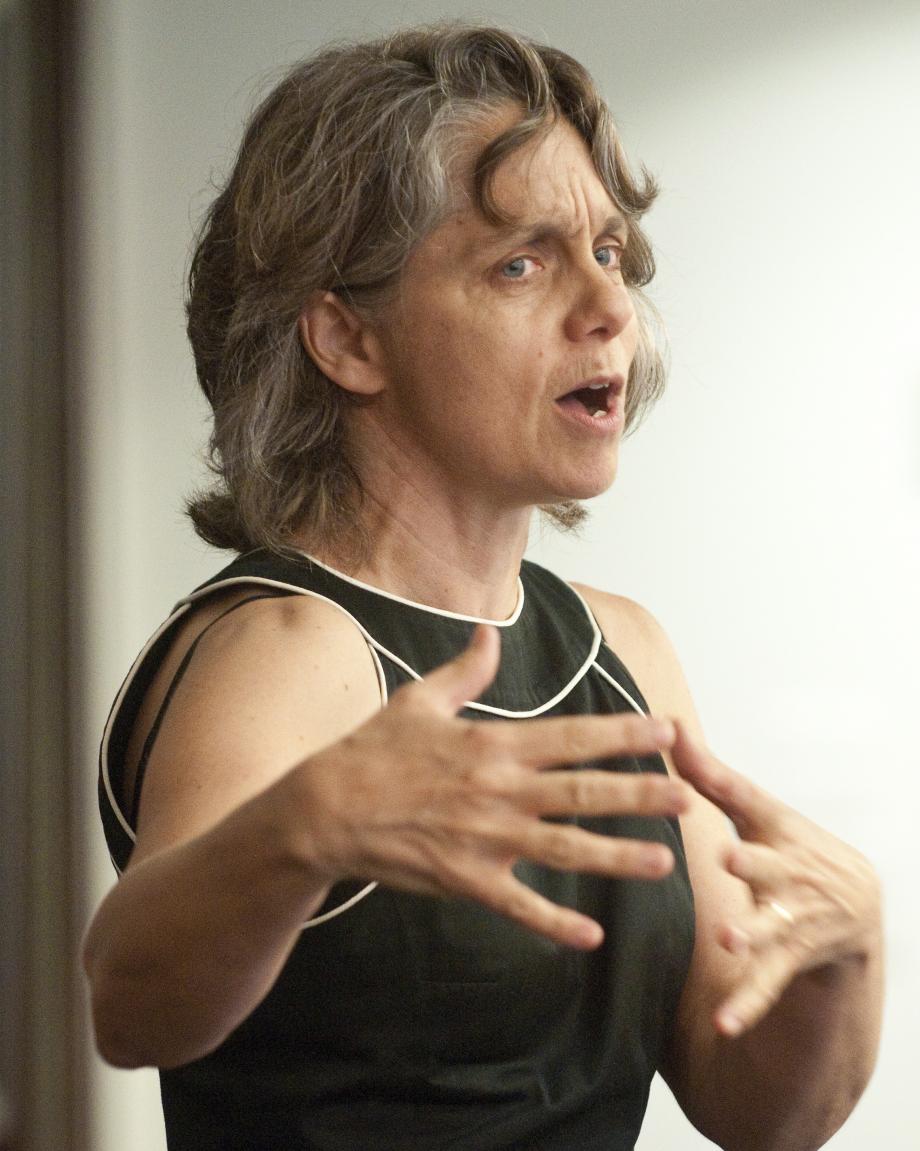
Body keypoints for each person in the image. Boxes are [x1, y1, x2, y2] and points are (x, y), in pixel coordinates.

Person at [83, 23, 883, 1151]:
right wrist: (306, 827)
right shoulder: (290, 646)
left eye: (608, 252)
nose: (607, 306)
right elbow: (129, 999)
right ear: (347, 338)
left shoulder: (625, 650)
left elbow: (760, 1111)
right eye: (520, 261)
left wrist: (845, 949)